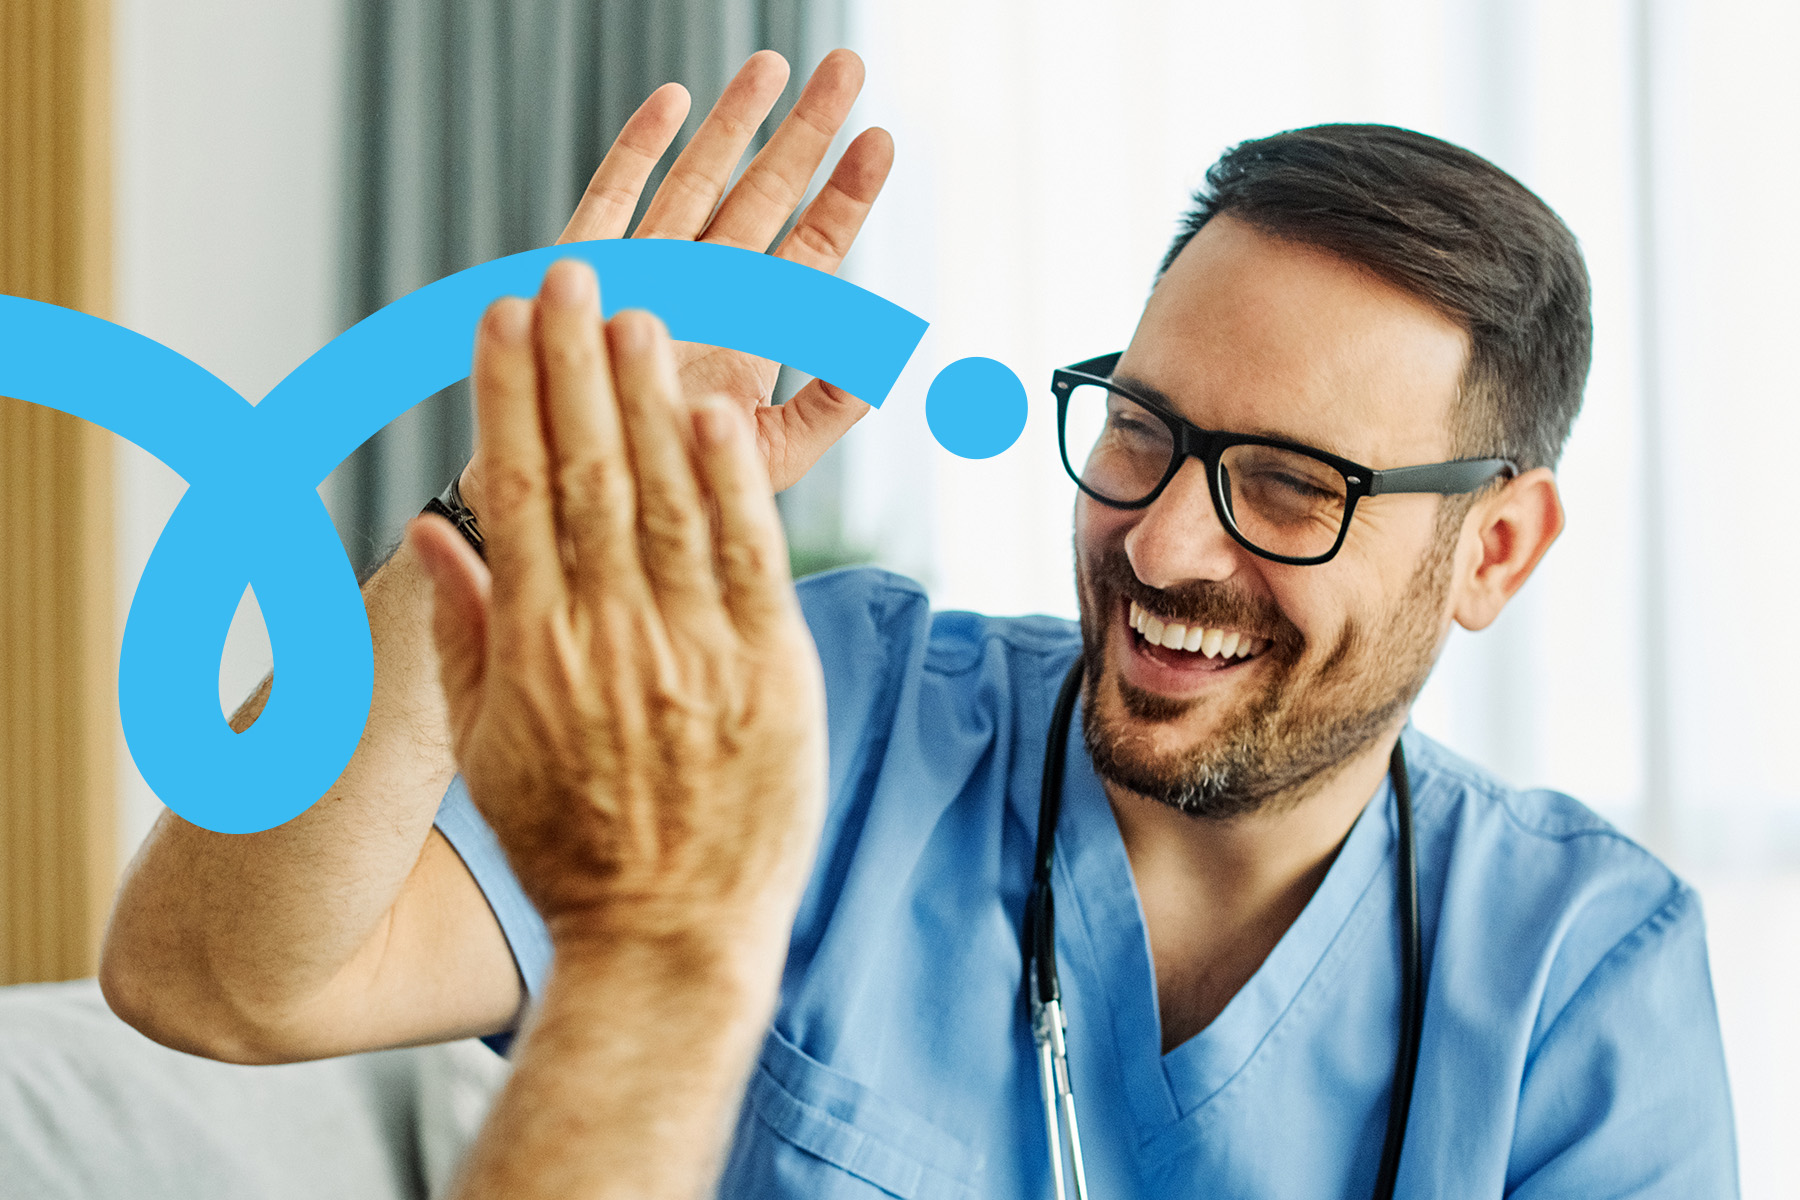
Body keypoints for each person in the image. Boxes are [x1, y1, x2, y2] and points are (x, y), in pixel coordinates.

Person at [98, 47, 1738, 1199]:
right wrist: (521, 519)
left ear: (1495, 552)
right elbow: (212, 978)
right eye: (1140, 427)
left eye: (1295, 488)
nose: (1162, 537)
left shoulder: (1581, 978)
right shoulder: (831, 710)